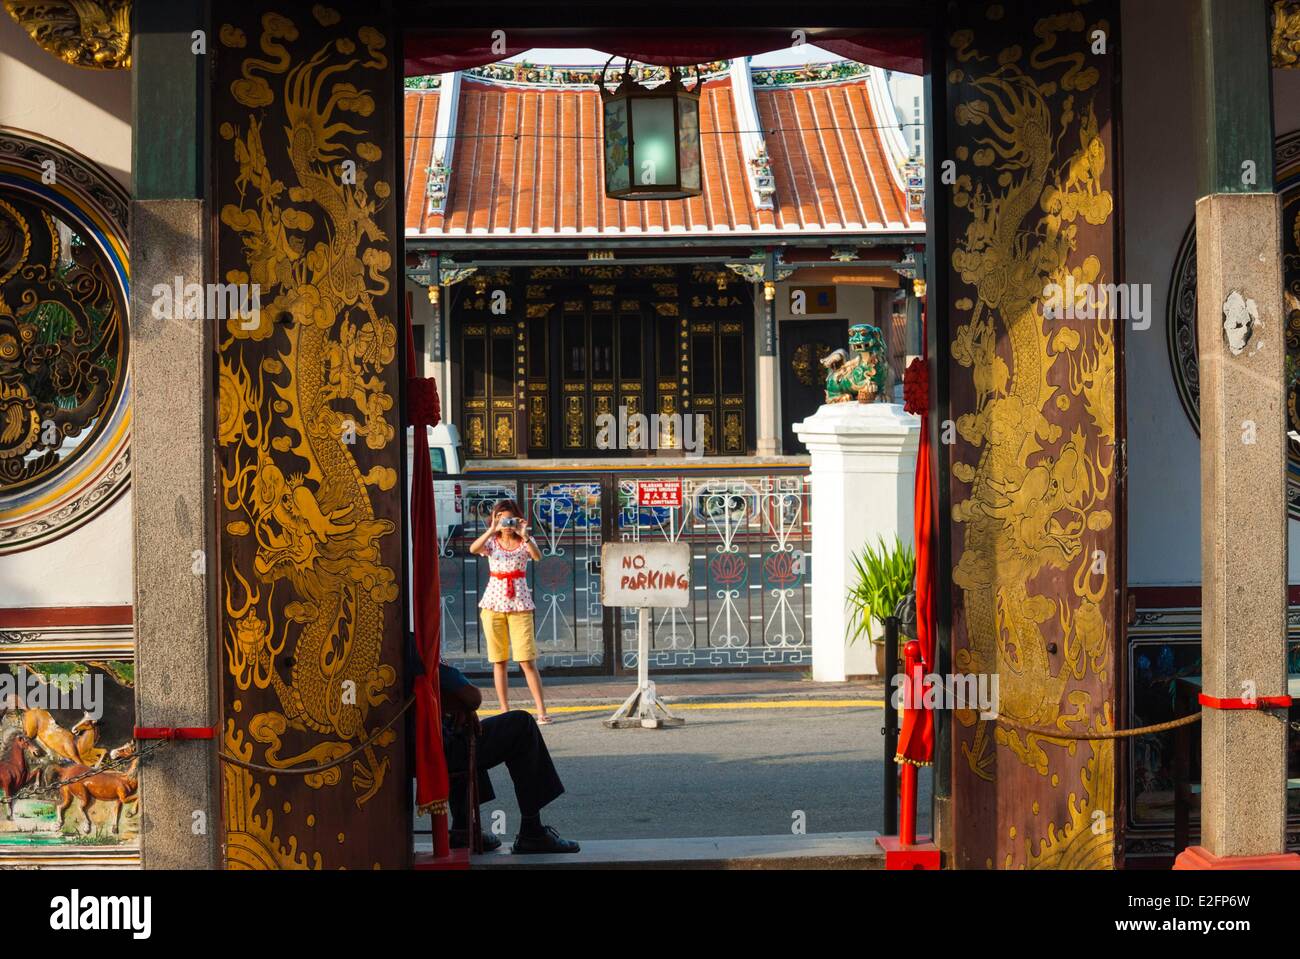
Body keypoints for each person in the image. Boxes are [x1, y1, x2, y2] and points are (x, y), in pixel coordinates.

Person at [439, 660, 579, 854]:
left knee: (465, 730)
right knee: (522, 725)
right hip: (440, 749)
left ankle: (463, 827)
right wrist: (462, 705)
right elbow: (472, 697)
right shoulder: (420, 649)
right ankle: (532, 830)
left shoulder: (397, 651)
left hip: (418, 747)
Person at [469, 499, 551, 723]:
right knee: (500, 660)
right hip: (493, 604)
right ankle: (505, 711)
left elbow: (537, 556)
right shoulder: (492, 542)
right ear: (495, 519)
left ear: (518, 519)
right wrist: (491, 530)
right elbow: (473, 548)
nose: (506, 524)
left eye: (510, 519)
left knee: (527, 660)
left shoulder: (524, 541)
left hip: (520, 604)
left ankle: (541, 710)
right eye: (501, 519)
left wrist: (524, 534)